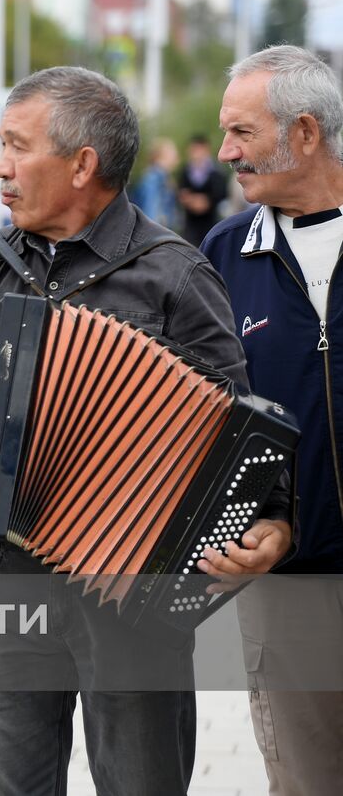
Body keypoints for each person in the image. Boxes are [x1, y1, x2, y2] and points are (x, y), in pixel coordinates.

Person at [0, 66, 292, 796]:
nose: (0, 167)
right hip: (4, 573)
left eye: (17, 146)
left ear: (83, 165)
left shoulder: (173, 273)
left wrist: (266, 516)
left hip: (134, 592)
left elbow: (241, 441)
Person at [201, 44, 343, 795]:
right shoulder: (223, 254)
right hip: (288, 588)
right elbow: (202, 417)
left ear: (307, 132)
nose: (226, 153)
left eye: (242, 132)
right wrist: (261, 519)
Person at [177, 133, 229, 245]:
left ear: (206, 150)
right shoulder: (185, 171)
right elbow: (180, 193)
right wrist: (190, 201)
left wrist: (207, 201)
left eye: (199, 149)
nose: (196, 154)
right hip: (191, 224)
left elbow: (222, 193)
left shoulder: (217, 171)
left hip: (211, 221)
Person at [130, 137, 179, 229]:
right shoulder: (152, 179)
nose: (176, 155)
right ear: (161, 155)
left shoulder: (164, 178)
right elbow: (151, 214)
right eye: (172, 152)